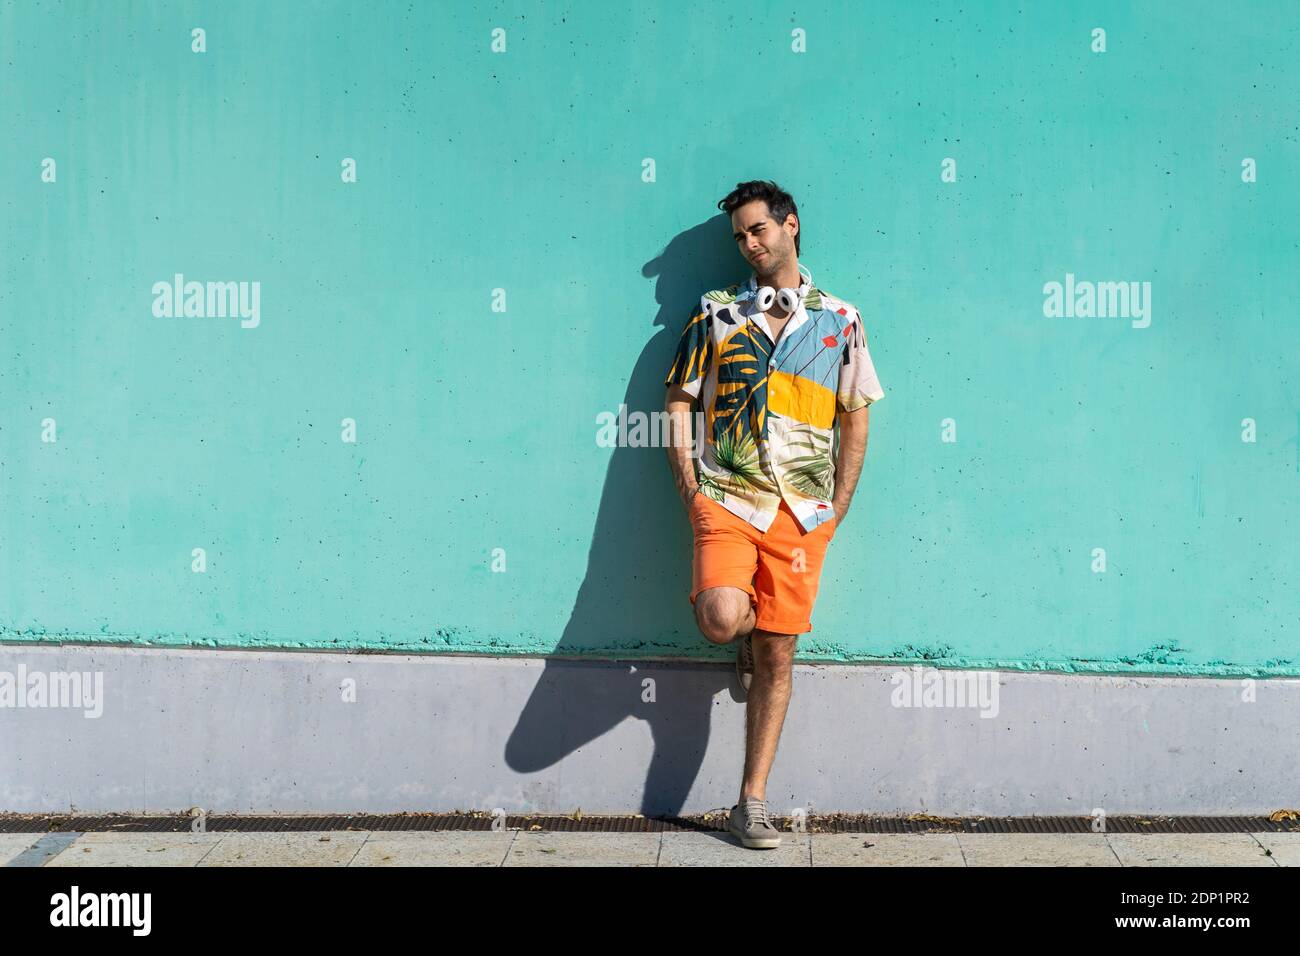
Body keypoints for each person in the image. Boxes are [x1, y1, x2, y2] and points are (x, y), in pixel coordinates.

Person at [663, 180, 884, 849]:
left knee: (778, 653)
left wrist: (837, 508)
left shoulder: (840, 319)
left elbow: (856, 416)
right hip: (728, 496)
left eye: (758, 229)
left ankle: (750, 803)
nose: (749, 244)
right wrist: (690, 488)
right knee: (720, 617)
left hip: (802, 511)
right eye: (739, 236)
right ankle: (745, 633)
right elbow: (678, 399)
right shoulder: (717, 312)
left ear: (790, 226)